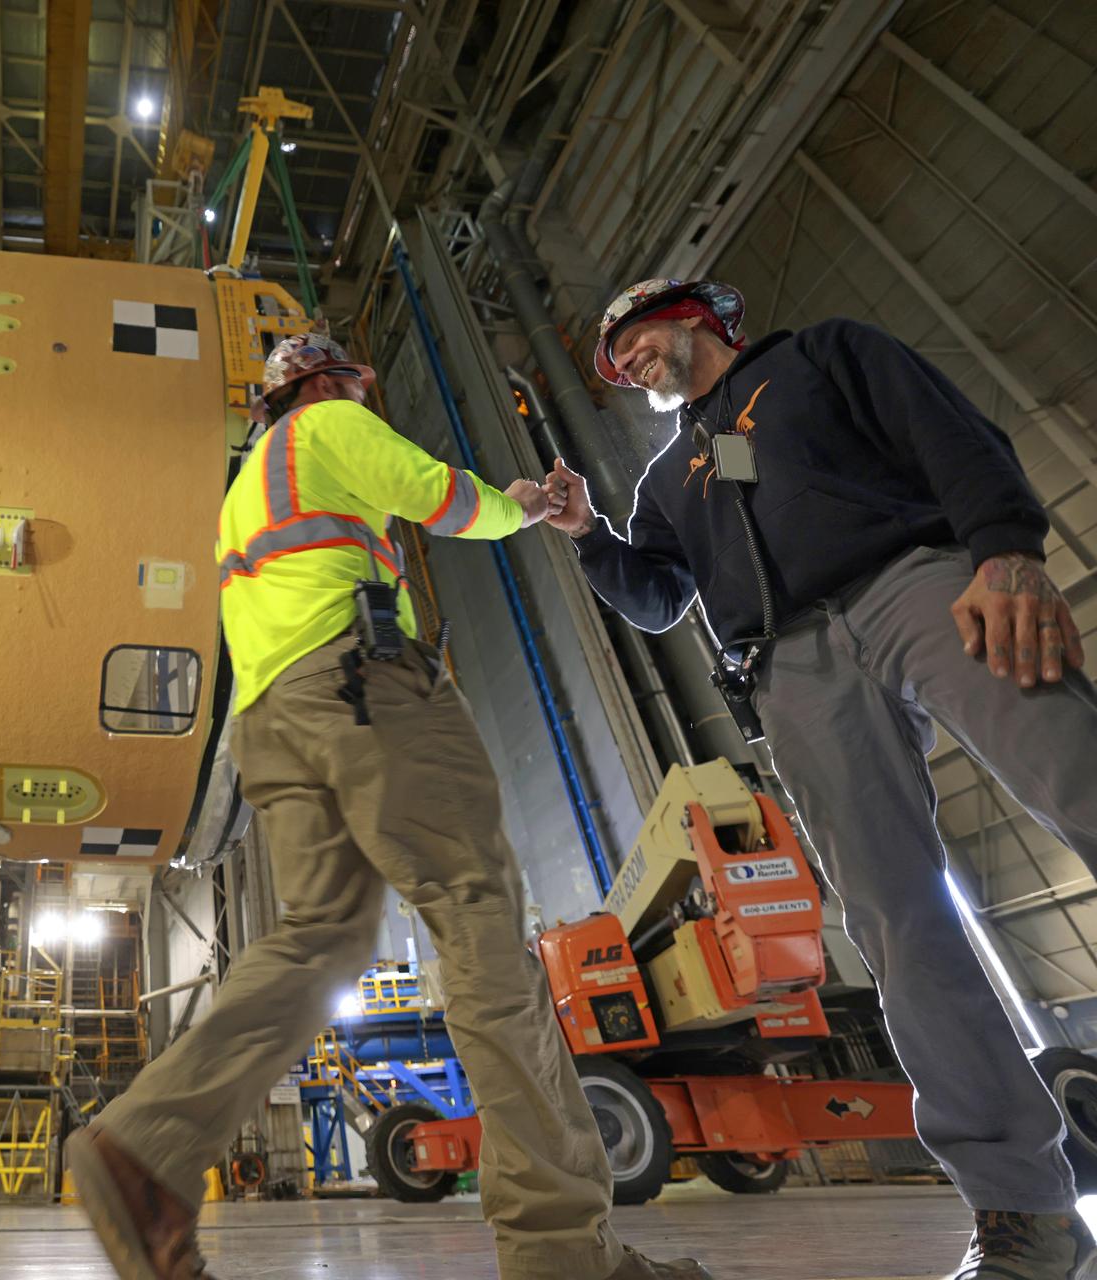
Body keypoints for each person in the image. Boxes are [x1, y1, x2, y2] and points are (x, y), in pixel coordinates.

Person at [64, 333, 711, 1280]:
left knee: (320, 937)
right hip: (367, 684)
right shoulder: (331, 427)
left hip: (273, 724)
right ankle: (563, 1252)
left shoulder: (245, 491)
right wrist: (523, 505)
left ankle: (145, 1147)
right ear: (330, 386)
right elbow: (442, 499)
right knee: (480, 922)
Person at [544, 277, 1097, 1280]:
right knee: (896, 921)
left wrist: (1006, 548)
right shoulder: (670, 477)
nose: (626, 363)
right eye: (615, 361)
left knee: (1082, 779)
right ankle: (1025, 1211)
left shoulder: (822, 357)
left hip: (916, 584)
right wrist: (590, 535)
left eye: (635, 337)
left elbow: (946, 433)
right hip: (788, 666)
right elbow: (663, 596)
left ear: (700, 318)